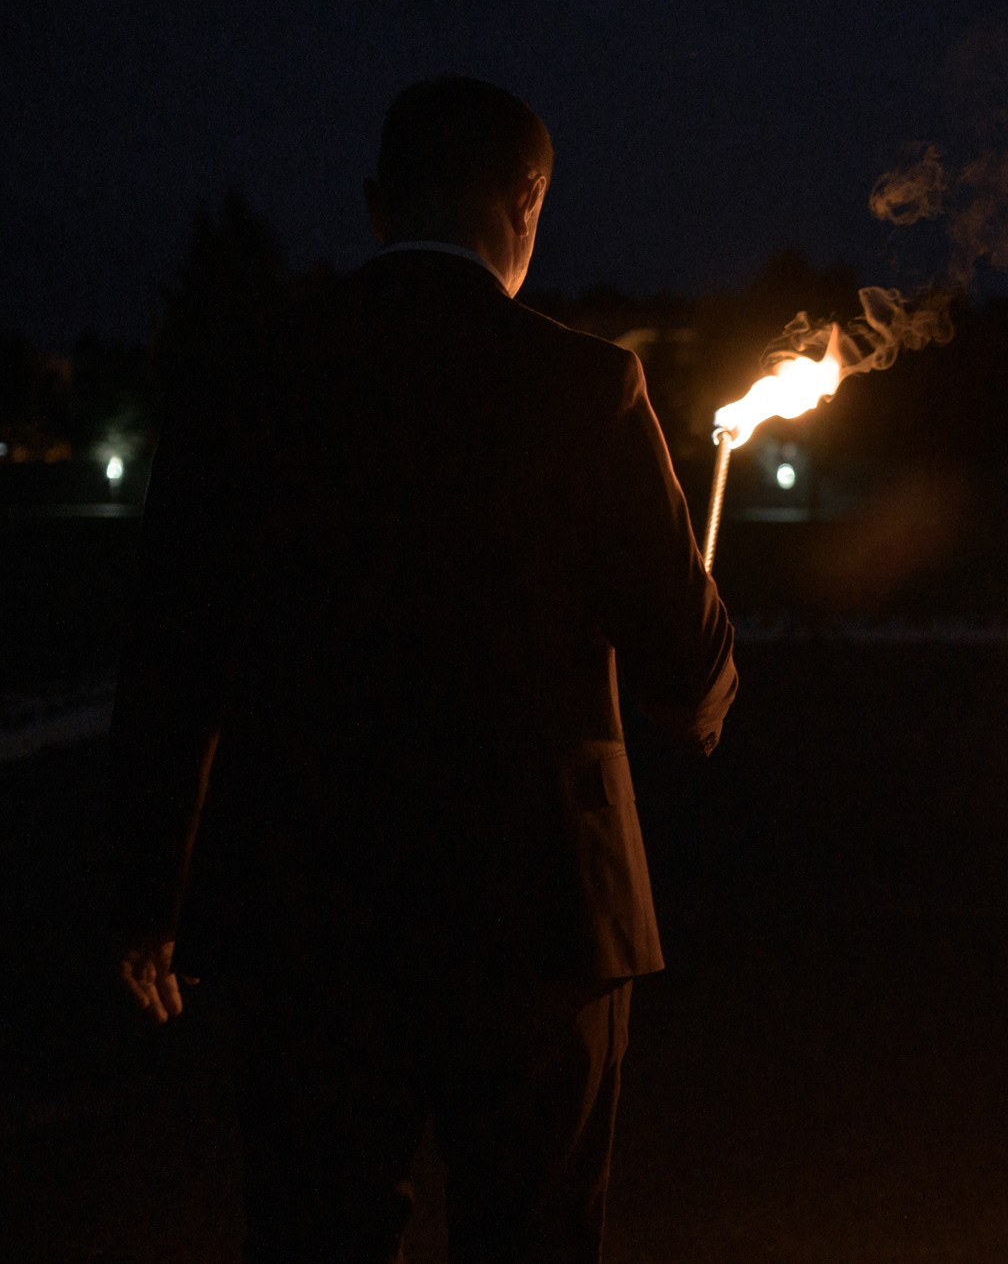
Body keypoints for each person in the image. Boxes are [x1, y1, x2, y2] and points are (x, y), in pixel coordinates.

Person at [110, 76, 737, 1262]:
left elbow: (170, 653)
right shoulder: (586, 385)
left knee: (315, 1234)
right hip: (543, 923)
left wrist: (149, 894)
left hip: (306, 913)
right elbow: (685, 667)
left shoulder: (246, 379)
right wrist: (698, 647)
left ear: (374, 206)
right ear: (528, 202)